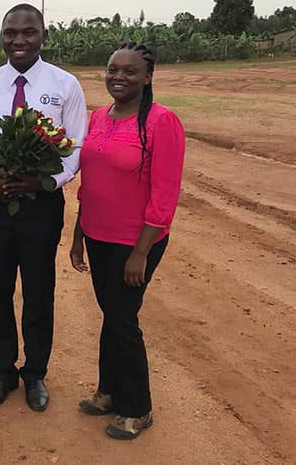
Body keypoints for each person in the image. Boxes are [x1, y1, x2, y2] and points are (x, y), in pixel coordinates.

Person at [0, 3, 87, 412]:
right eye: (11, 32)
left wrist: (46, 180)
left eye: (28, 32)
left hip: (40, 204)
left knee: (38, 291)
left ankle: (35, 374)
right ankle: (2, 372)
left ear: (43, 35)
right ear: (2, 36)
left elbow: (75, 147)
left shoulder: (65, 85)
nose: (19, 40)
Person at [69, 42, 184, 439]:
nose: (118, 76)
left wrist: (141, 252)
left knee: (122, 320)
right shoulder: (99, 116)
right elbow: (91, 184)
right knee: (112, 315)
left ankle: (137, 407)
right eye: (112, 69)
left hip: (134, 241)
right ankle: (109, 391)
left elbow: (165, 195)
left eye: (129, 71)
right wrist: (78, 234)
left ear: (148, 76)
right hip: (98, 234)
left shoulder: (160, 121)